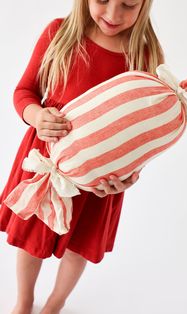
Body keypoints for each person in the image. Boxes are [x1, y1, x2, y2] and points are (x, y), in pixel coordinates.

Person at [0, 0, 165, 313]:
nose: (113, 15)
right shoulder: (59, 33)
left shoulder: (144, 56)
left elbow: (145, 130)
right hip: (47, 163)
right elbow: (24, 91)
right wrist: (36, 116)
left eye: (128, 5)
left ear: (144, 4)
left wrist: (129, 176)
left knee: (78, 247)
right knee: (32, 237)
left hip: (100, 178)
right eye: (102, 0)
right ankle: (24, 301)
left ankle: (55, 303)